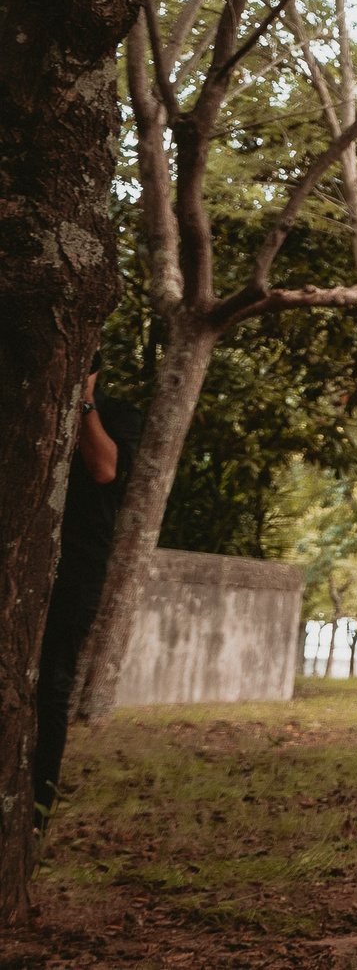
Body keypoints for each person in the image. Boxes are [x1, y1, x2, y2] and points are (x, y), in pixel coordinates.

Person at [32, 352, 140, 825]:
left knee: (52, 688)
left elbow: (104, 469)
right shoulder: (26, 406)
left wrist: (84, 403)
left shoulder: (118, 416)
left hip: (76, 569)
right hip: (23, 562)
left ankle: (36, 812)